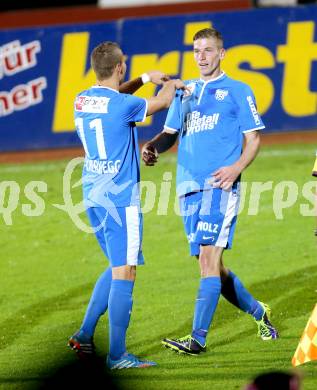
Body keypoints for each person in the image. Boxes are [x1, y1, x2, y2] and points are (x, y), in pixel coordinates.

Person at [142, 28, 279, 355]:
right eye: (196, 50)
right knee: (213, 266)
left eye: (207, 50)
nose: (201, 56)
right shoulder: (184, 91)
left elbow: (254, 139)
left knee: (207, 259)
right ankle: (260, 314)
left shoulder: (239, 90)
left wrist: (235, 169)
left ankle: (197, 339)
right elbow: (169, 133)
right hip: (188, 187)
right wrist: (153, 148)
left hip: (220, 186)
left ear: (222, 53)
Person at [68, 41, 185, 368]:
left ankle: (85, 333)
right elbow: (161, 103)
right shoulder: (122, 105)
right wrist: (171, 86)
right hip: (120, 200)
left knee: (116, 265)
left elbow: (116, 95)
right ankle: (118, 356)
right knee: (126, 272)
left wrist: (146, 77)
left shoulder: (82, 99)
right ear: (120, 67)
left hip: (93, 195)